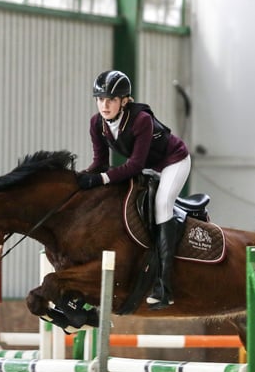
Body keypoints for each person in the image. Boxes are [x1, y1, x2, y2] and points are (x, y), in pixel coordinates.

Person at [77, 69, 191, 309]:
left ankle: (164, 286)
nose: (104, 105)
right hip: (148, 167)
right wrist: (78, 180)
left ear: (124, 100)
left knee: (162, 205)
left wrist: (100, 180)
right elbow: (100, 163)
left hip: (173, 162)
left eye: (111, 100)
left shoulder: (140, 120)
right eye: (100, 99)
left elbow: (134, 165)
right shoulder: (97, 123)